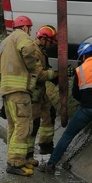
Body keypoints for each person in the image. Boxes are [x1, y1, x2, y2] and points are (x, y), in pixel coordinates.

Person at [42, 42, 92, 173]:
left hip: (87, 110)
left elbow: (76, 94)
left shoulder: (80, 70)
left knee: (68, 135)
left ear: (83, 57)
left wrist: (88, 102)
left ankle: (51, 164)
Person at [0, 15, 46, 176]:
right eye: (29, 29)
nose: (29, 32)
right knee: (24, 125)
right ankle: (16, 163)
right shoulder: (22, 36)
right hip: (19, 91)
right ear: (25, 27)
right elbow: (29, 51)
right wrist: (32, 68)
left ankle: (15, 158)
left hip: (6, 90)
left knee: (13, 126)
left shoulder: (5, 42)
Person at [26, 25, 59, 163]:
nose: (52, 44)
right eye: (51, 41)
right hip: (33, 93)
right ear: (44, 39)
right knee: (33, 122)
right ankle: (27, 154)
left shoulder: (41, 50)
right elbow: (39, 75)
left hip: (41, 92)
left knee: (49, 112)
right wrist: (57, 74)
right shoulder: (35, 51)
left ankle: (45, 144)